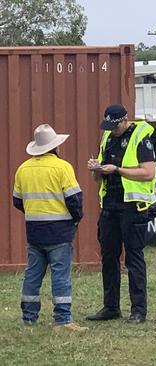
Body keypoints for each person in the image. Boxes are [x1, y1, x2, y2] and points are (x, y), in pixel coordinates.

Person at [86, 104, 156, 324]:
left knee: (134, 258)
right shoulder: (107, 137)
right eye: (109, 126)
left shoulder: (140, 137)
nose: (112, 130)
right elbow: (98, 179)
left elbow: (148, 172)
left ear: (125, 120)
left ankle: (138, 310)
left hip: (133, 206)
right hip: (109, 205)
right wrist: (97, 169)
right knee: (109, 257)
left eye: (115, 126)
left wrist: (117, 169)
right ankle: (110, 307)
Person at [13, 124, 86, 331]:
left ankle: (29, 318)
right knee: (60, 274)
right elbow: (75, 200)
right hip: (59, 232)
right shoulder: (63, 167)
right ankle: (62, 319)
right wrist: (76, 218)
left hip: (34, 231)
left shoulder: (23, 169)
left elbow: (17, 202)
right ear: (56, 147)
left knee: (33, 274)